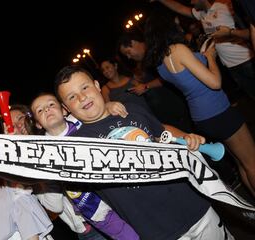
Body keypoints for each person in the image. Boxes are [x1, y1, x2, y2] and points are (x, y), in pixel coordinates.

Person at [54, 65, 234, 239]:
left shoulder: (130, 109)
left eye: (85, 87)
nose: (82, 97)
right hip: (157, 231)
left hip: (194, 206)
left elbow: (161, 132)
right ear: (66, 109)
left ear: (97, 85)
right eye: (72, 97)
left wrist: (187, 137)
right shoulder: (76, 147)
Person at [144, 12, 255, 197]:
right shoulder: (178, 49)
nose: (179, 25)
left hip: (202, 117)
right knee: (251, 161)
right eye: (175, 23)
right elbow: (215, 83)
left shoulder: (160, 63)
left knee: (241, 163)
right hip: (218, 111)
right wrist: (210, 57)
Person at [30, 92, 140, 240]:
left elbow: (100, 113)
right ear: (38, 123)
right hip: (95, 208)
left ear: (64, 110)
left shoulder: (82, 122)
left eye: (51, 105)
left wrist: (108, 106)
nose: (47, 110)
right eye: (40, 110)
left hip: (120, 192)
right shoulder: (42, 153)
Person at [154, 0, 255, 100]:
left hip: (246, 60)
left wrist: (230, 33)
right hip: (231, 66)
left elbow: (249, 31)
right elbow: (179, 8)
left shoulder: (224, 6)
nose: (191, 2)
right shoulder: (201, 14)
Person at [117, 31, 193, 132]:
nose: (128, 57)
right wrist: (140, 83)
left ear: (134, 42)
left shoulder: (155, 53)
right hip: (166, 114)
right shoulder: (143, 62)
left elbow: (168, 76)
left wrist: (146, 86)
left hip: (176, 108)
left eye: (128, 52)